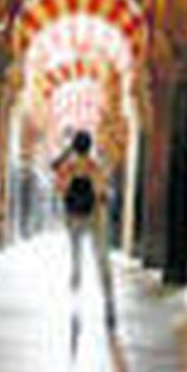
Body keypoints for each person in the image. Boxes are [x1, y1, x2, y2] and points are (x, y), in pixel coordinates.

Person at [52, 130, 116, 328]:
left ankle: (76, 306)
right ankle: (109, 305)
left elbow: (58, 184)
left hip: (74, 218)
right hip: (96, 217)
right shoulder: (96, 166)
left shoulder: (68, 167)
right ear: (90, 146)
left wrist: (67, 151)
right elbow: (104, 193)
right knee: (102, 260)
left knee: (76, 261)